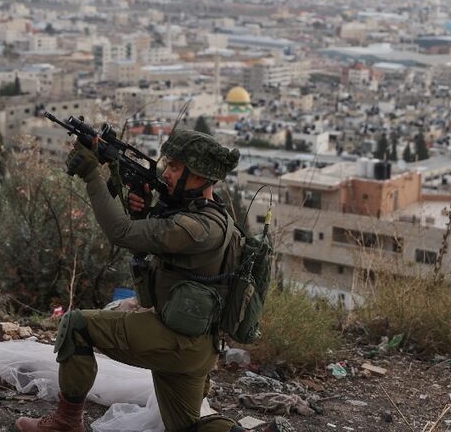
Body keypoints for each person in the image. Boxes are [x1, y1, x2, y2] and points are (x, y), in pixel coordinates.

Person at [15, 130, 292, 432]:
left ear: (199, 175)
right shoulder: (214, 215)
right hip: (196, 345)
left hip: (176, 342)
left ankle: (66, 423)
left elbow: (121, 233)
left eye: (175, 167)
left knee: (76, 326)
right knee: (186, 427)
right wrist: (144, 207)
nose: (166, 173)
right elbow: (156, 243)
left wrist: (92, 174)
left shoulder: (196, 228)